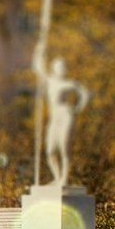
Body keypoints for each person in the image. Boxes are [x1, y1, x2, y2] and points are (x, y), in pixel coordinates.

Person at [34, 57, 90, 187]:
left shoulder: (68, 84)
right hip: (54, 119)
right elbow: (38, 68)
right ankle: (57, 177)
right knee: (50, 151)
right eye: (58, 67)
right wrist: (39, 51)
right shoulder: (50, 81)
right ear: (54, 69)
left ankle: (64, 179)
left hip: (65, 116)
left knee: (64, 148)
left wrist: (78, 108)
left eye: (63, 67)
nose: (61, 70)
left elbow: (84, 93)